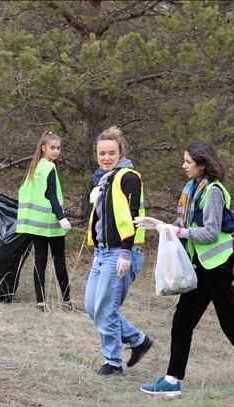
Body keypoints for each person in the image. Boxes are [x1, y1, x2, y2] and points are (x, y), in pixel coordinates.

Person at [136, 140, 234, 396]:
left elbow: (209, 233)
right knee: (182, 321)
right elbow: (186, 225)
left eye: (188, 161)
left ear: (202, 164)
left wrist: (177, 231)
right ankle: (172, 380)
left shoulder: (214, 192)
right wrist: (161, 225)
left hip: (217, 269)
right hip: (200, 268)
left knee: (230, 322)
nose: (184, 165)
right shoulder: (193, 189)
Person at [85, 126, 154, 377]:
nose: (106, 158)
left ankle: (113, 363)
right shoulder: (104, 180)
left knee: (104, 309)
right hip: (103, 253)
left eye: (111, 153)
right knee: (92, 307)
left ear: (120, 152)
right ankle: (137, 340)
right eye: (101, 153)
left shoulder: (128, 177)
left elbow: (134, 217)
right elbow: (102, 220)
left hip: (122, 252)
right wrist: (96, 249)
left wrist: (126, 252)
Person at [16, 131, 72, 312]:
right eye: (52, 148)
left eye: (58, 148)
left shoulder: (35, 167)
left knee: (40, 260)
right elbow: (52, 196)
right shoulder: (49, 168)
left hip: (36, 223)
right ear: (44, 148)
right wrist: (62, 217)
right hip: (51, 222)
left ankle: (40, 302)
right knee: (59, 260)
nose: (56, 151)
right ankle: (67, 300)